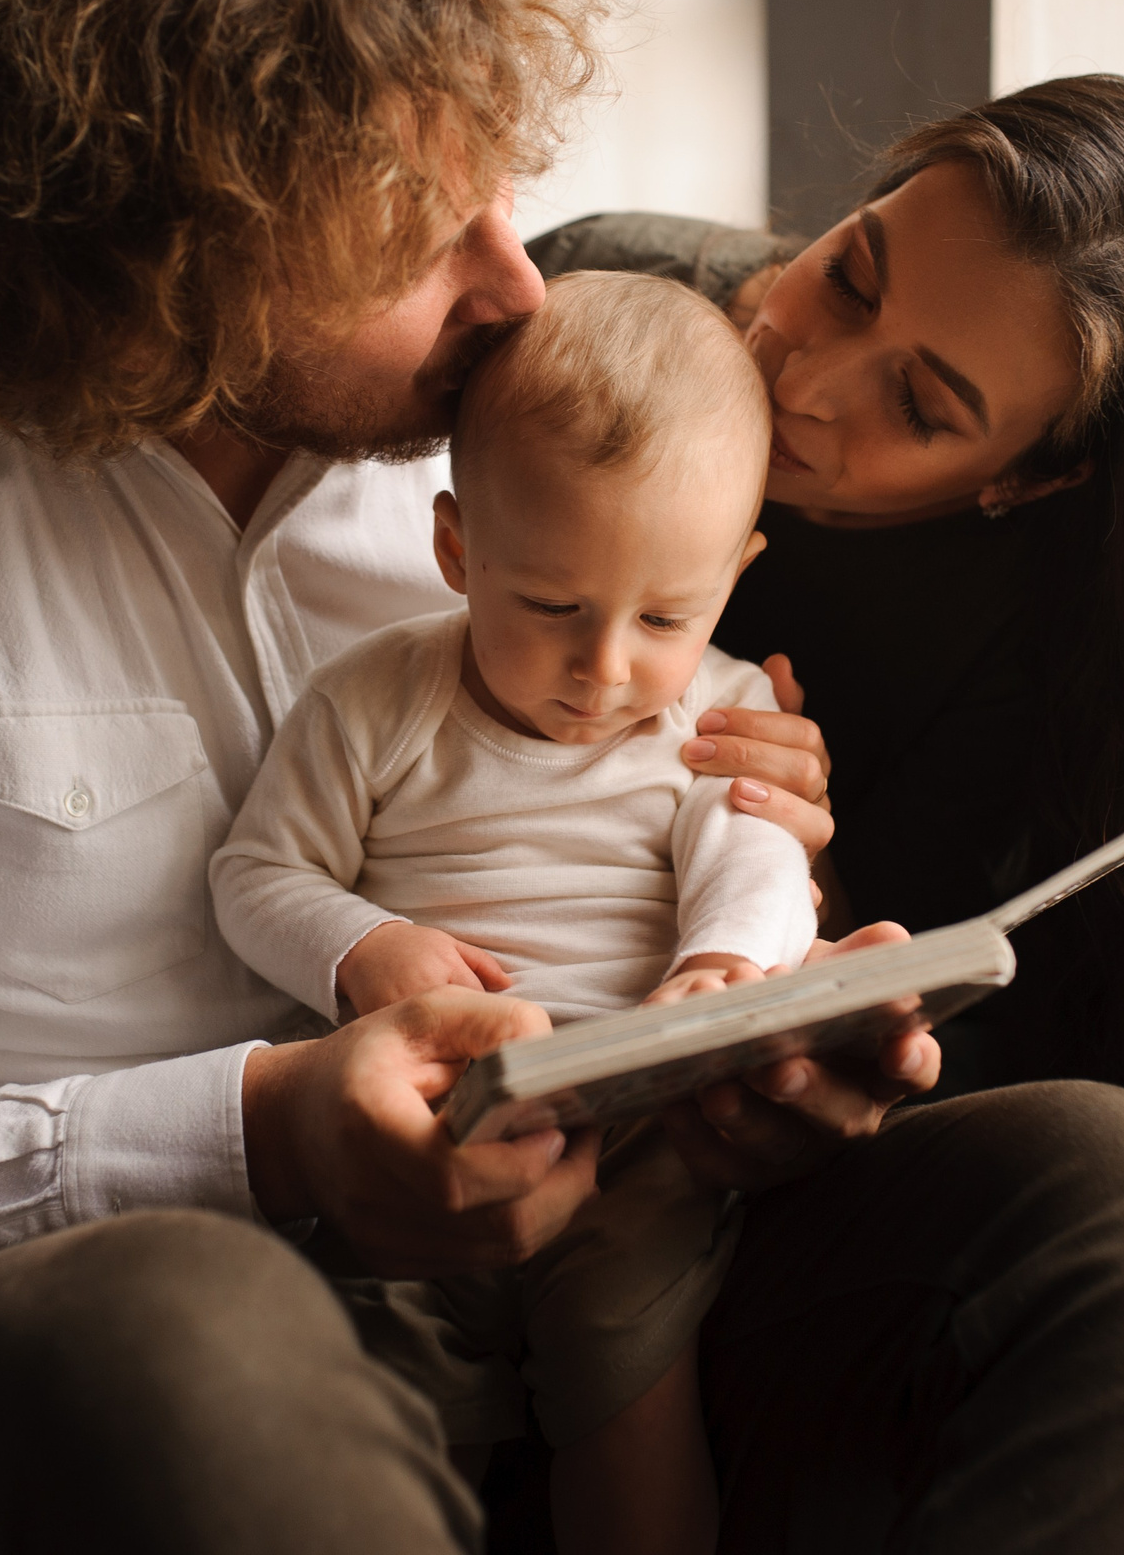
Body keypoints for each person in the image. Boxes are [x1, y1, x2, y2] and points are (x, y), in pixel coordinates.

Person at [0, 0, 1124, 1550]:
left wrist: (760, 1012)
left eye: (506, 194)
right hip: (106, 1324)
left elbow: (666, 807)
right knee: (186, 1349)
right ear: (170, 247)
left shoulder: (527, 423)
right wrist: (274, 1129)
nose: (521, 285)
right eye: (423, 238)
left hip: (613, 1244)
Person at [529, 75, 1124, 1186]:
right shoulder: (592, 295)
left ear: (1034, 476)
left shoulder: (1042, 646)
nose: (802, 379)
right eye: (847, 275)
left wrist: (810, 908)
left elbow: (944, 1007)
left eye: (918, 407)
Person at [212, 269, 816, 1555]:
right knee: (387, 1380)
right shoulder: (375, 702)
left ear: (737, 570)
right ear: (455, 550)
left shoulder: (714, 720)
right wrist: (363, 946)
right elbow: (255, 877)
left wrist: (721, 963)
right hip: (427, 1120)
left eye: (664, 614)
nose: (604, 670)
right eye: (549, 606)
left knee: (629, 1371)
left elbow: (756, 866)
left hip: (640, 1129)